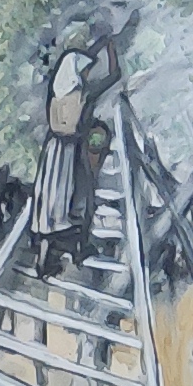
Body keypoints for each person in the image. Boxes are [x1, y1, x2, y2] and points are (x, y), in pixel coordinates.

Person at [29, 20, 117, 275]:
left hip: (53, 151)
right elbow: (114, 76)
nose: (87, 74)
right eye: (85, 71)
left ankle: (43, 259)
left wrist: (98, 45)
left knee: (50, 205)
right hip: (71, 152)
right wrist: (110, 49)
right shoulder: (82, 95)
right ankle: (80, 249)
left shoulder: (57, 93)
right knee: (82, 198)